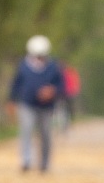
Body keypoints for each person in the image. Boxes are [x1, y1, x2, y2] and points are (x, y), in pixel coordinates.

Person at [8, 35, 65, 173]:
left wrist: (52, 91)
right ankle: (26, 161)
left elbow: (61, 86)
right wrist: (12, 100)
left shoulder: (54, 66)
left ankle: (44, 163)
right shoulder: (23, 66)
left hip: (46, 107)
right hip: (27, 104)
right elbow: (16, 84)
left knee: (45, 134)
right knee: (26, 130)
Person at [61, 63, 82, 131]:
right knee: (67, 109)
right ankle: (66, 122)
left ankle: (68, 122)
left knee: (67, 109)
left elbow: (75, 83)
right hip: (66, 93)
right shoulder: (68, 73)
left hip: (68, 93)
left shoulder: (68, 73)